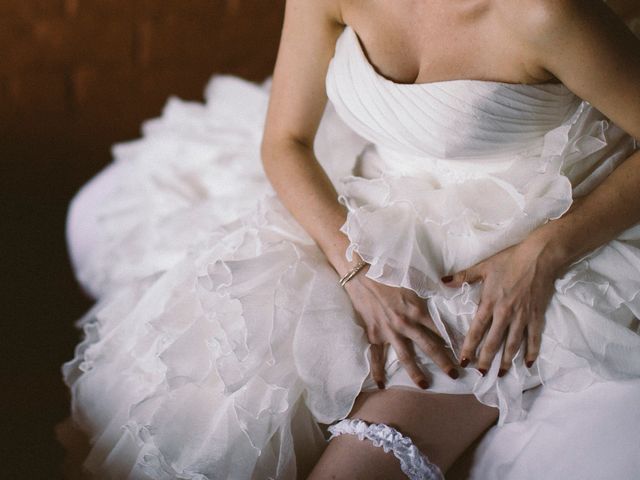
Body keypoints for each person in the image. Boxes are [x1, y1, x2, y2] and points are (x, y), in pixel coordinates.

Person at [62, 0, 640, 478]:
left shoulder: (545, 15)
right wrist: (355, 268)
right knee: (212, 404)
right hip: (366, 217)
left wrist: (545, 251)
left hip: (499, 240)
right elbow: (284, 140)